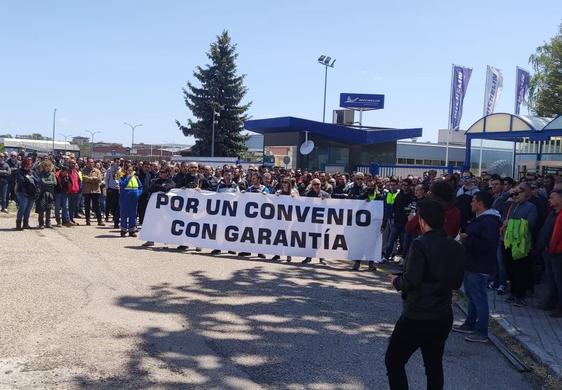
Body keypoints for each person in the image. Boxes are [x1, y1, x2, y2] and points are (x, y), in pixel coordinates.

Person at [385, 200, 466, 390]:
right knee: (434, 365)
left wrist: (395, 281)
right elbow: (456, 282)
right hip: (443, 314)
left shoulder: (420, 244)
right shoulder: (457, 247)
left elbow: (411, 280)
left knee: (394, 361)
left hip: (417, 314)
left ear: (422, 221)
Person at [454, 191, 501, 343]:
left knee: (479, 298)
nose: (471, 203)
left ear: (480, 203)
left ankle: (481, 331)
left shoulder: (489, 221)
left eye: (473, 201)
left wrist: (467, 239)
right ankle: (470, 323)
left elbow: (487, 244)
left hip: (480, 265)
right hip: (472, 263)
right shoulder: (481, 219)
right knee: (472, 296)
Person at [502, 184, 538, 307]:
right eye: (515, 192)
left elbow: (529, 224)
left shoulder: (531, 207)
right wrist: (508, 194)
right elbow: (497, 205)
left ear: (526, 194)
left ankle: (520, 295)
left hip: (521, 245)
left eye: (519, 192)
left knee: (520, 270)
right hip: (508, 243)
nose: (516, 195)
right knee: (510, 269)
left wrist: (510, 223)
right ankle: (513, 292)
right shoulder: (511, 205)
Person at [536, 189, 562, 317]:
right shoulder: (552, 213)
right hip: (548, 251)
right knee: (551, 279)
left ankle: (560, 306)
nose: (549, 199)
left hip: (558, 253)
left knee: (559, 280)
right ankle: (552, 301)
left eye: (552, 197)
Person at [141, 167, 176, 247]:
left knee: (165, 224)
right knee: (152, 223)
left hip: (166, 208)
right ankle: (150, 240)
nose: (161, 174)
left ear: (167, 173)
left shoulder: (170, 181)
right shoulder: (157, 180)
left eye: (163, 172)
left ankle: (166, 241)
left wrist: (157, 187)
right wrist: (159, 187)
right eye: (160, 172)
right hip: (156, 207)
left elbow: (167, 188)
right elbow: (150, 189)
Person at [302, 179, 330, 264]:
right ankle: (309, 256)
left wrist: (326, 201)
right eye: (314, 184)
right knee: (310, 239)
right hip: (310, 221)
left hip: (321, 221)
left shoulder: (326, 194)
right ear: (312, 185)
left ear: (321, 184)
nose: (316, 186)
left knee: (321, 239)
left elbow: (332, 205)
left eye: (318, 184)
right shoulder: (307, 195)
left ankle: (322, 258)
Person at [271, 177, 298, 262]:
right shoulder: (279, 192)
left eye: (286, 182)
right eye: (283, 182)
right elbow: (273, 201)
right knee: (279, 235)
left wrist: (295, 197)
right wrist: (276, 196)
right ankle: (277, 253)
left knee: (288, 236)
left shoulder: (294, 192)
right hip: (280, 217)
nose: (284, 184)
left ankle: (288, 254)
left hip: (289, 218)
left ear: (289, 183)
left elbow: (300, 202)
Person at [118, 165, 143, 237]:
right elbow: (122, 185)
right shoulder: (122, 177)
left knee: (133, 214)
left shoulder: (136, 178)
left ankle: (132, 230)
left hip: (134, 198)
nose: (130, 172)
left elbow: (140, 186)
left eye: (131, 170)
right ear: (125, 171)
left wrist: (138, 193)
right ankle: (123, 230)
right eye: (129, 170)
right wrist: (129, 177)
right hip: (125, 197)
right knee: (124, 214)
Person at [15, 157, 38, 230]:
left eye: (31, 164)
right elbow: (21, 181)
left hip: (31, 193)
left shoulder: (32, 172)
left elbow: (38, 180)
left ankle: (25, 224)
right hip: (22, 192)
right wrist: (29, 178)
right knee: (22, 208)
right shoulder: (19, 171)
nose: (30, 165)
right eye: (28, 164)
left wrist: (32, 178)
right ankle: (18, 224)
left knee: (28, 209)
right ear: (24, 164)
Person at [81, 158, 105, 226]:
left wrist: (89, 179)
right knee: (87, 206)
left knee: (97, 206)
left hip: (95, 190)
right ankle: (87, 221)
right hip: (87, 190)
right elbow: (84, 178)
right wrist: (93, 179)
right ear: (87, 163)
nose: (91, 163)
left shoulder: (97, 171)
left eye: (92, 162)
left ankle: (99, 221)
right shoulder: (84, 170)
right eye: (89, 162)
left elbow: (99, 179)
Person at [34, 159, 56, 229]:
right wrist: (49, 183)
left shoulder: (52, 174)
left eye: (49, 166)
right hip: (42, 194)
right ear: (44, 166)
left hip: (50, 194)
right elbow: (42, 182)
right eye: (46, 166)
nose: (48, 167)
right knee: (41, 209)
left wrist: (48, 183)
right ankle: (41, 223)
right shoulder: (41, 174)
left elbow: (55, 183)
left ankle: (48, 223)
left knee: (49, 209)